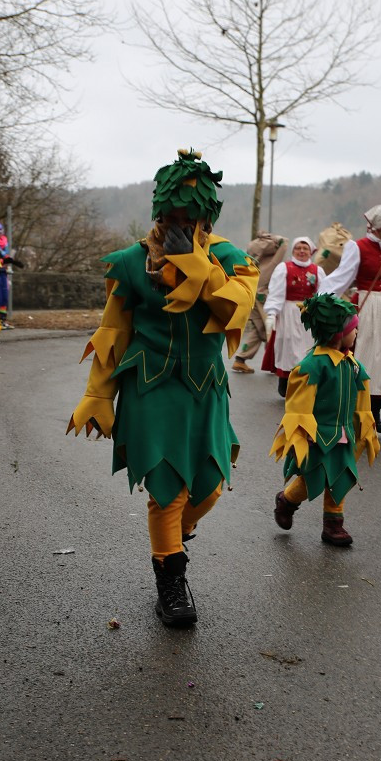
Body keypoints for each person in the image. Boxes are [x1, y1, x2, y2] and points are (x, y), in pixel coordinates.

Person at [68, 148, 259, 626]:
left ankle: (176, 533)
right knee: (168, 491)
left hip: (205, 388)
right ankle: (170, 579)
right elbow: (114, 332)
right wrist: (97, 394)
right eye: (172, 215)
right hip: (150, 388)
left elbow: (234, 311)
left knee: (209, 486)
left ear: (206, 218)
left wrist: (197, 265)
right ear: (159, 212)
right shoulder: (132, 264)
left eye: (190, 216)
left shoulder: (233, 260)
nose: (180, 223)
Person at [271, 292, 380, 547]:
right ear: (336, 334)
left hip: (344, 434)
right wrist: (301, 431)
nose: (356, 334)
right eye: (354, 330)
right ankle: (287, 500)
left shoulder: (352, 365)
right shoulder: (313, 365)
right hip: (318, 435)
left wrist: (365, 427)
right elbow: (299, 403)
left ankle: (333, 524)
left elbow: (362, 399)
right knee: (313, 479)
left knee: (341, 477)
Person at [321, 205, 381, 432]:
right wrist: (321, 300)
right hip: (366, 305)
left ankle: (376, 408)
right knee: (365, 357)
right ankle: (358, 409)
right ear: (380, 226)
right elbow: (342, 277)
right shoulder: (357, 247)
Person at [262, 236, 323, 396]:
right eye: (298, 248)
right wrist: (272, 313)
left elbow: (322, 294)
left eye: (305, 248)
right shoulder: (284, 268)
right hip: (288, 312)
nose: (301, 251)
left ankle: (304, 383)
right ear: (293, 251)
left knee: (307, 348)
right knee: (288, 347)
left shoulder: (317, 271)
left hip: (308, 315)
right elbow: (276, 293)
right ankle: (286, 380)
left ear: (311, 251)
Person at [232, 231, 287, 372]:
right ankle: (275, 361)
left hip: (253, 291)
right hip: (264, 294)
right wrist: (276, 238)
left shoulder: (254, 255)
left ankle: (241, 358)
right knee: (271, 327)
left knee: (259, 328)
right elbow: (284, 242)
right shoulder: (272, 263)